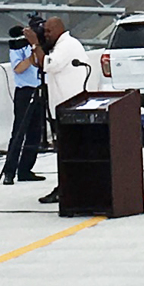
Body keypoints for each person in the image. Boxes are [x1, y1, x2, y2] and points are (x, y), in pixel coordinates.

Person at [33, 16, 93, 202]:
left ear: (59, 29)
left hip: (71, 108)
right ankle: (67, 186)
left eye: (49, 31)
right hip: (63, 108)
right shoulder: (59, 46)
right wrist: (37, 47)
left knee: (69, 152)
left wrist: (36, 44)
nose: (46, 35)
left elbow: (48, 64)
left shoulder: (67, 45)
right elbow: (39, 63)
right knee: (66, 152)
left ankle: (68, 188)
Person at [2, 25, 46, 184]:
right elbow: (18, 68)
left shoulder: (42, 45)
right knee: (19, 131)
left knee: (36, 132)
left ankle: (25, 169)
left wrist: (37, 47)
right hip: (25, 92)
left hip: (40, 89)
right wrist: (32, 53)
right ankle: (9, 172)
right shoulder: (18, 46)